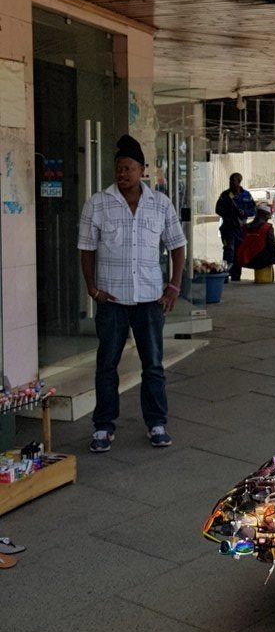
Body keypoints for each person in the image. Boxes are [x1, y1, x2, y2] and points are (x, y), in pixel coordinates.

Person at [78, 134, 186, 453]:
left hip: (150, 299)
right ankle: (103, 426)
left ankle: (157, 423)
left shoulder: (160, 204)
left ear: (142, 170)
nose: (122, 173)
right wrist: (92, 288)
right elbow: (86, 249)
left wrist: (174, 286)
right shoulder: (97, 203)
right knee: (106, 365)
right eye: (118, 168)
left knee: (152, 364)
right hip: (111, 300)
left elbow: (177, 245)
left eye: (128, 168)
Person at [234, 202, 275, 281]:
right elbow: (272, 247)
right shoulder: (267, 228)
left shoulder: (245, 227)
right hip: (262, 260)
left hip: (244, 260)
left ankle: (236, 278)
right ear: (265, 215)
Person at [215, 173, 255, 277]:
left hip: (240, 229)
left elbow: (253, 210)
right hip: (228, 229)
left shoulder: (246, 195)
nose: (231, 183)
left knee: (238, 252)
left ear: (239, 182)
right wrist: (228, 213)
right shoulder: (225, 195)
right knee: (229, 251)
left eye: (233, 181)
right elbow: (218, 209)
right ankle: (225, 275)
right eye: (230, 181)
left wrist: (244, 212)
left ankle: (236, 276)